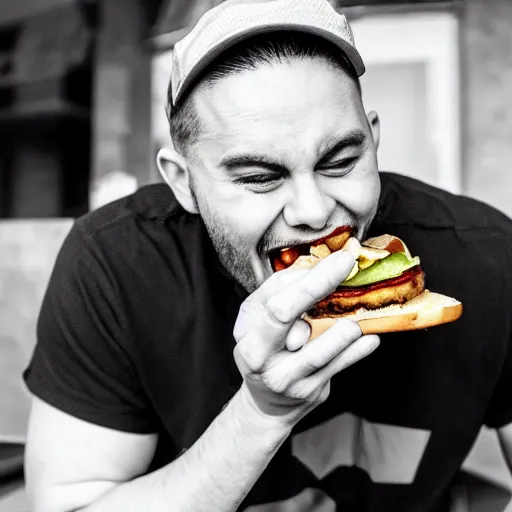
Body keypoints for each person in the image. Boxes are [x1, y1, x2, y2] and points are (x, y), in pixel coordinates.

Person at [23, 0, 512, 511]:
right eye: (260, 178)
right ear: (183, 183)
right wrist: (261, 413)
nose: (315, 211)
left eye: (341, 161)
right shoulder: (114, 265)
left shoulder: (488, 257)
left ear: (374, 140)